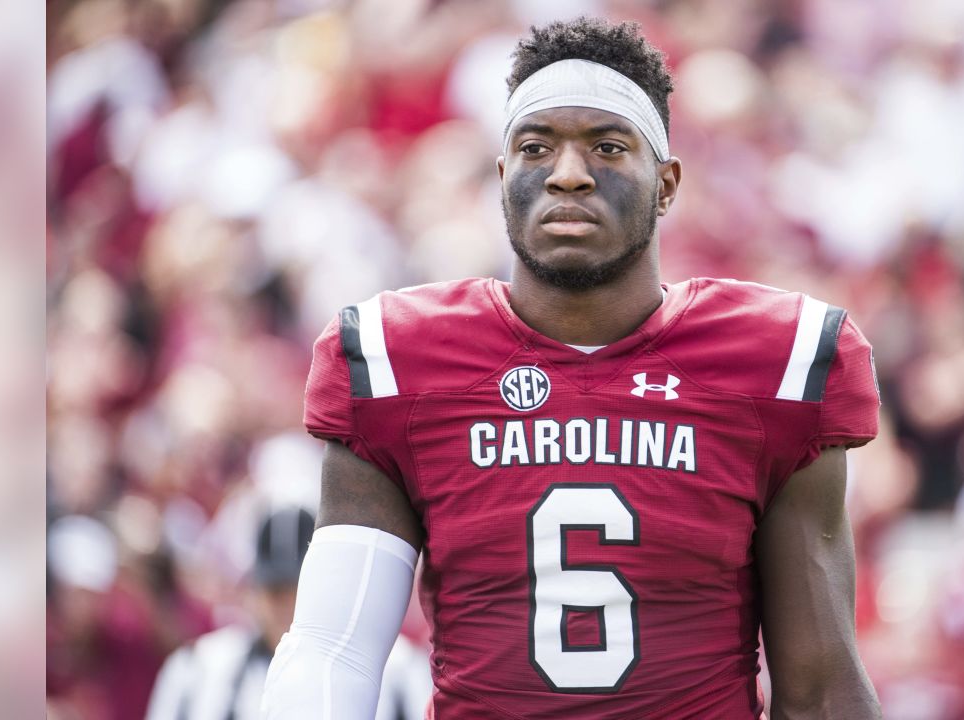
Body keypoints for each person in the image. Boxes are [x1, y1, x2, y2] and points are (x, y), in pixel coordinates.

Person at [262, 16, 882, 719]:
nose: (567, 174)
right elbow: (331, 653)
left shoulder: (773, 364)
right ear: (502, 178)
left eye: (607, 147)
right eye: (536, 147)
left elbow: (820, 684)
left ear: (667, 184)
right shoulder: (396, 362)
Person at [149, 506, 430, 720]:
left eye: (299, 589)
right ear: (253, 592)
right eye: (276, 592)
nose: (288, 605)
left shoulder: (399, 670)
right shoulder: (197, 669)